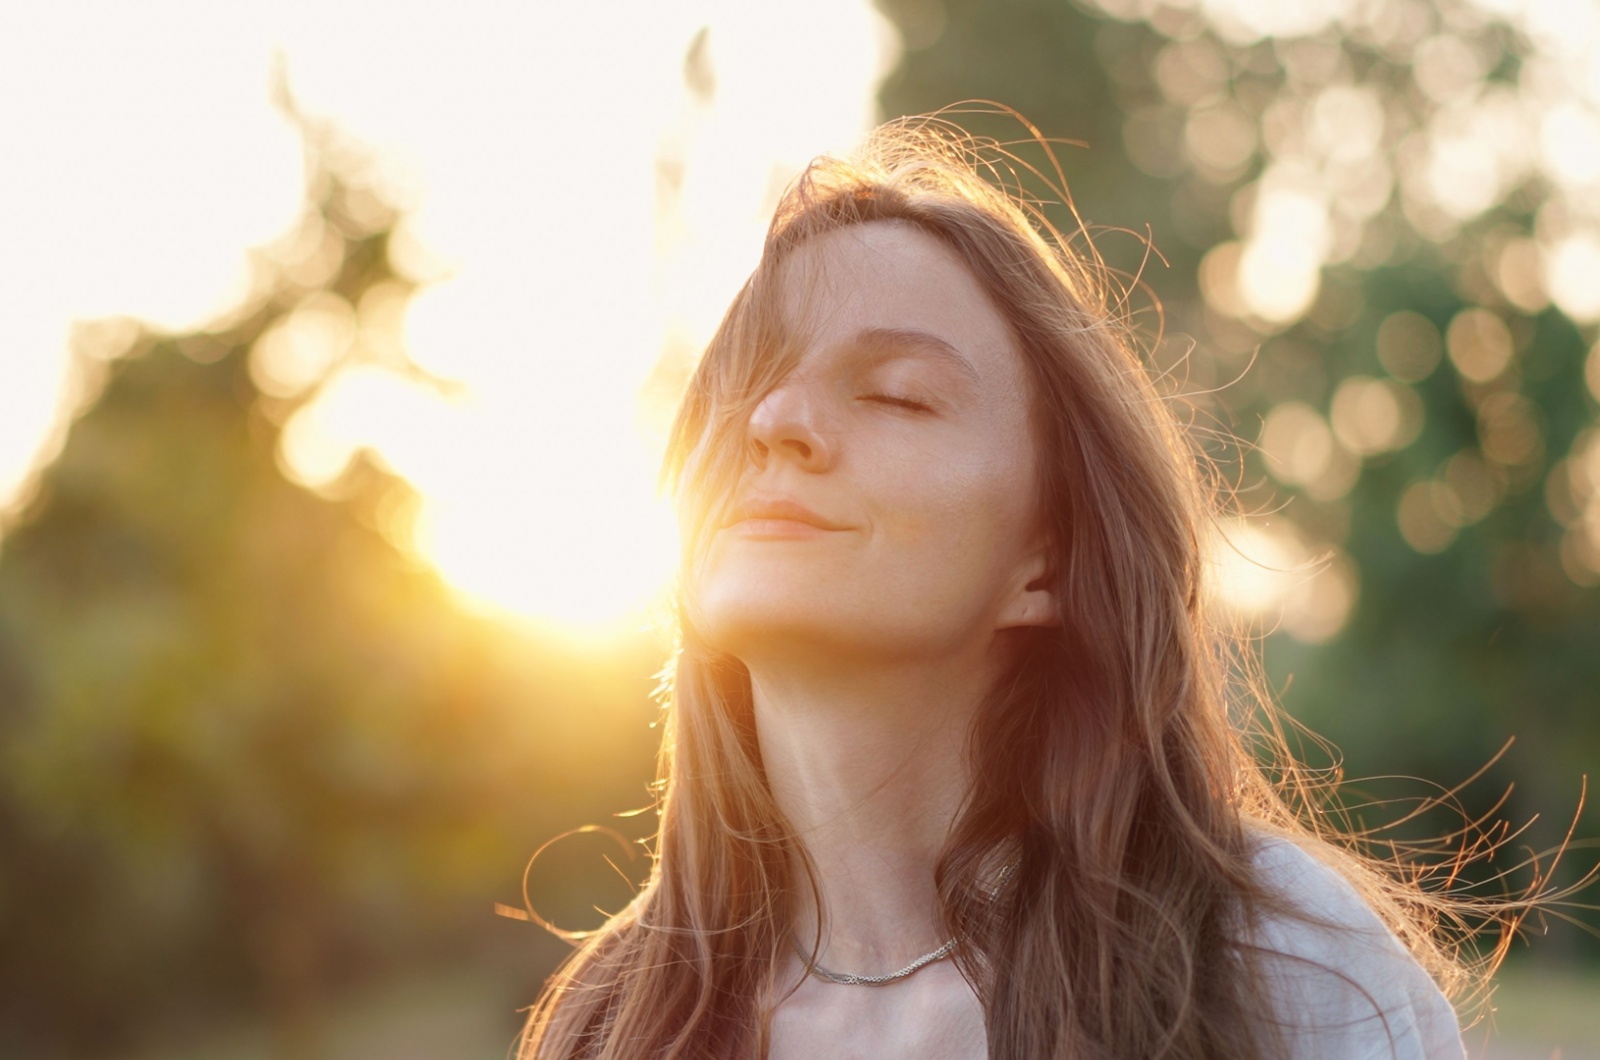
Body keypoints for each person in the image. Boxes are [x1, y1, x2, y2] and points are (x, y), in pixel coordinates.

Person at [517, 114, 1482, 1059]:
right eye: (744, 384)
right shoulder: (607, 1023)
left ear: (1048, 560)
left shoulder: (1274, 967)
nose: (773, 418)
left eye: (896, 392)